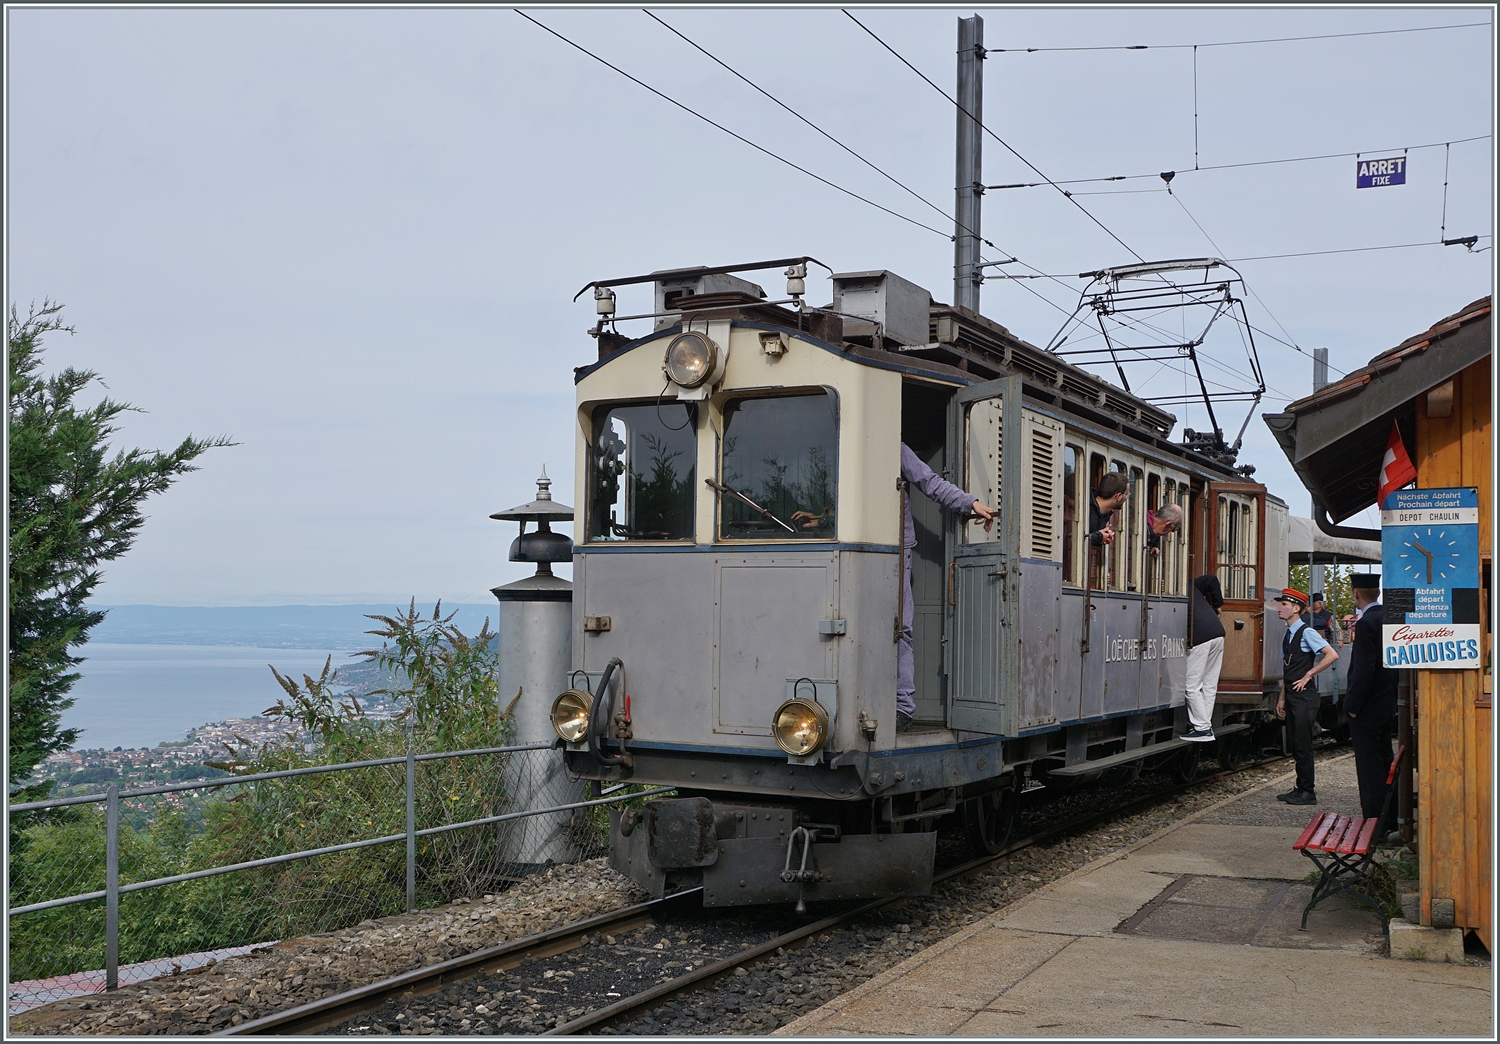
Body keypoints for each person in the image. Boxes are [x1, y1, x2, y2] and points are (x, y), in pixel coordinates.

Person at [896, 443, 995, 732]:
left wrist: (970, 503)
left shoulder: (895, 447)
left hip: (897, 546)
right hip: (869, 543)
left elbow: (928, 480)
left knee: (901, 627)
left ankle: (902, 706)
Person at [1274, 588, 1340, 805]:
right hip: (1292, 695)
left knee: (1303, 745)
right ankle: (1301, 787)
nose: (1279, 607)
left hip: (1304, 696)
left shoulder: (1307, 632)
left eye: (1284, 604)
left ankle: (1308, 792)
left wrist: (1309, 674)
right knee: (1295, 743)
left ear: (1296, 609)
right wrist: (1282, 698)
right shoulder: (1288, 634)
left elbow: (1332, 654)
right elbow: (1288, 668)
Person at [1343, 573, 1398, 828]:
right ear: (1377, 592)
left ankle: (1374, 822)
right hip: (1387, 703)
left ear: (1356, 594)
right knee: (1385, 760)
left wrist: (1352, 707)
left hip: (1367, 708)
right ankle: (1391, 817)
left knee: (1369, 768)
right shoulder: (1388, 617)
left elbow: (1364, 670)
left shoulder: (1366, 623)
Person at [1181, 574, 1225, 742]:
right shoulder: (1191, 584)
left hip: (1200, 635)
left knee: (1191, 686)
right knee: (1209, 685)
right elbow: (1212, 579)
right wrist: (1217, 605)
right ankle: (1205, 726)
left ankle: (1202, 728)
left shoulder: (1178, 587)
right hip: (1218, 633)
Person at [1087, 471, 1129, 547]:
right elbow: (1073, 537)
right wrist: (1099, 536)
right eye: (1126, 495)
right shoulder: (1086, 509)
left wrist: (1102, 537)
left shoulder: (1104, 514)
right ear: (1118, 496)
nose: (1126, 498)